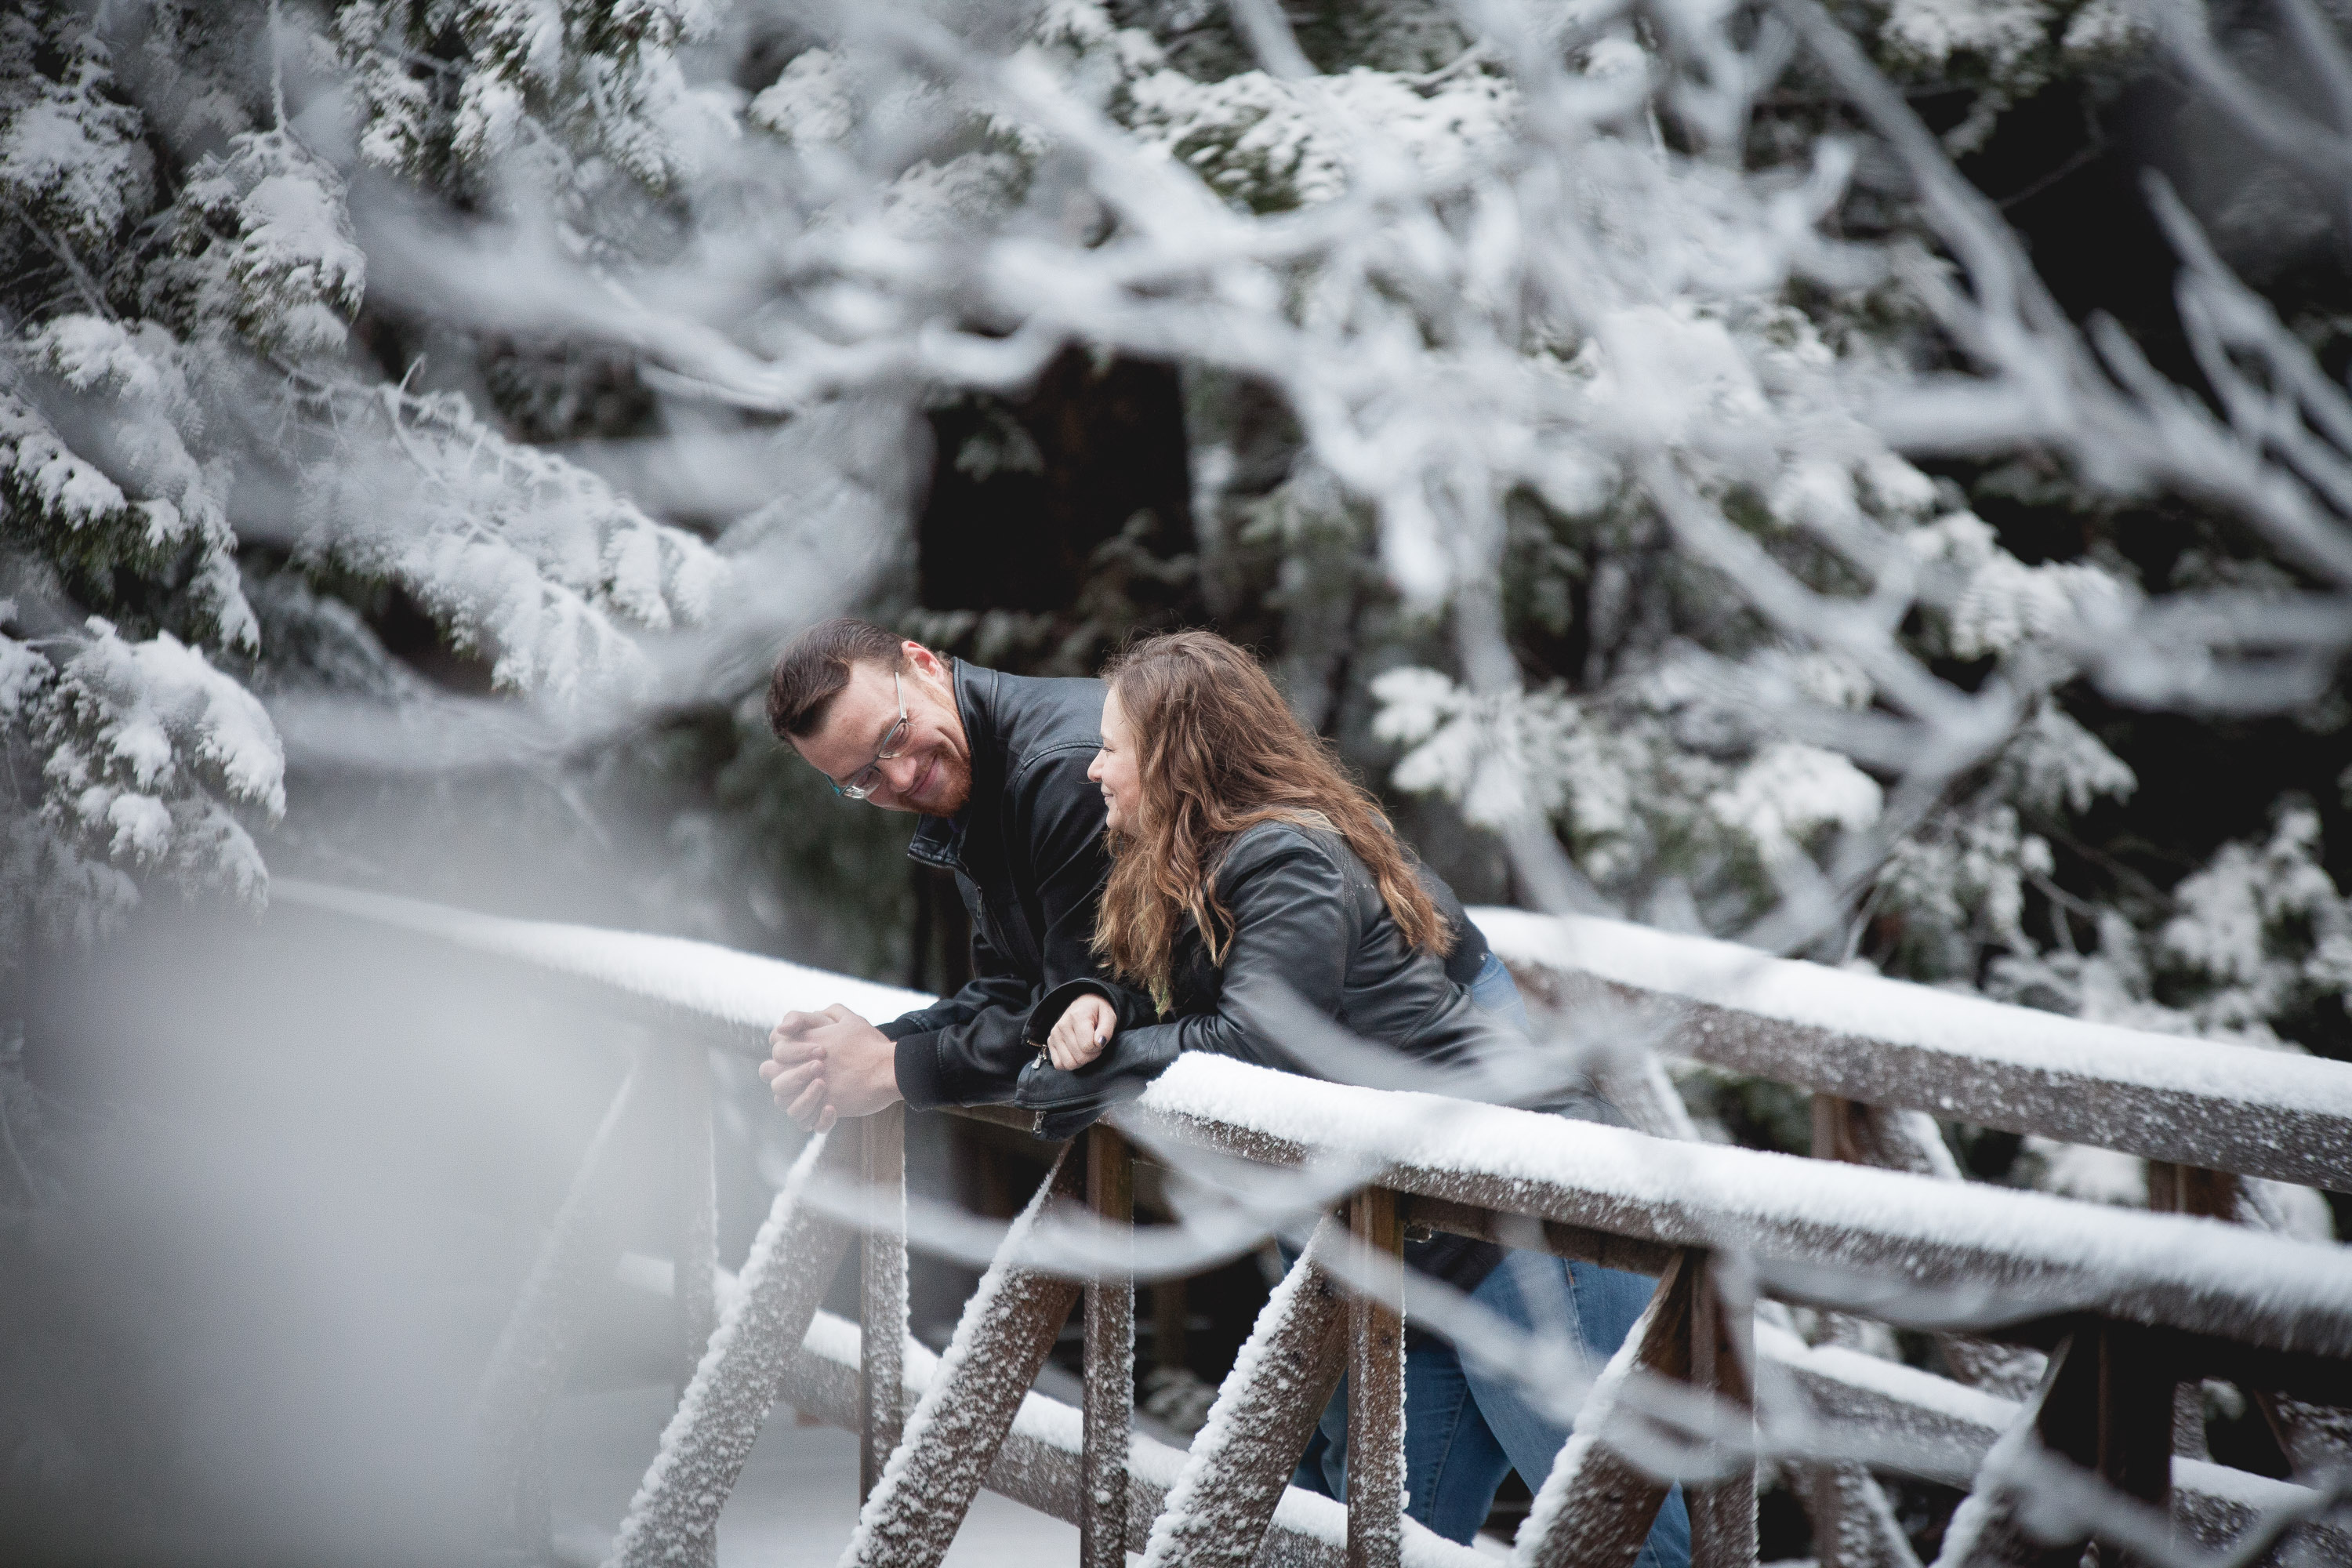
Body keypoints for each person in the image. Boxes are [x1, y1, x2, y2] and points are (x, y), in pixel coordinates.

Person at [1017, 630, 1689, 1566]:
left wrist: (1107, 1062)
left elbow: (1257, 1043)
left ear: (1175, 760)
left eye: (1113, 747)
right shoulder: (1207, 867)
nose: (1095, 769)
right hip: (1415, 1242)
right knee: (1372, 1542)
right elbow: (1198, 997)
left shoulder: (1284, 858)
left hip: (1531, 1226)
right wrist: (1091, 1016)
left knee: (1622, 1539)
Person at [756, 616, 1512, 1129]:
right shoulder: (972, 783)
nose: (898, 775)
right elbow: (1036, 997)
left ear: (922, 664)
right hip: (1343, 1044)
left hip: (1429, 1018)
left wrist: (898, 1069)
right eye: (860, 779)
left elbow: (1079, 1023)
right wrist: (875, 1048)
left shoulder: (1062, 778)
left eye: (893, 735)